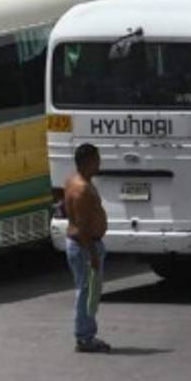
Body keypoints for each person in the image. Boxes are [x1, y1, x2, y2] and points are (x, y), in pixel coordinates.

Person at [63, 144, 111, 353]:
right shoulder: (82, 189)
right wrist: (92, 255)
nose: (99, 163)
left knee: (87, 291)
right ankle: (84, 337)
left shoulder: (72, 181)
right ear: (86, 162)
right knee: (86, 293)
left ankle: (86, 334)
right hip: (84, 247)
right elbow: (82, 227)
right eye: (96, 160)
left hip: (81, 245)